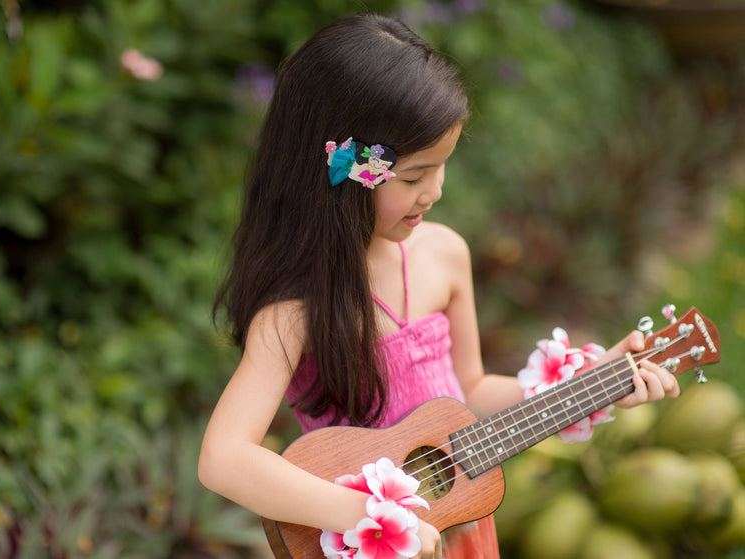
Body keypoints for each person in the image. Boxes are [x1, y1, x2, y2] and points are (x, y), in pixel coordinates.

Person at [198, 12, 680, 559]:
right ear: (344, 174)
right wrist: (371, 515)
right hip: (378, 544)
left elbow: (467, 395)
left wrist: (594, 383)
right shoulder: (295, 315)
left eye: (442, 167)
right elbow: (224, 458)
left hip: (462, 532)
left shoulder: (445, 255)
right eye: (413, 177)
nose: (435, 192)